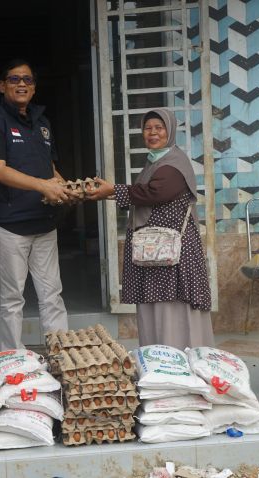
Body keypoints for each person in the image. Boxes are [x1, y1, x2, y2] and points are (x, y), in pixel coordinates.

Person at [87, 108, 214, 350]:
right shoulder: (155, 162)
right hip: (155, 254)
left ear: (171, 130)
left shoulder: (174, 163)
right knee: (156, 306)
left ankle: (180, 357)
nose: (152, 133)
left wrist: (113, 190)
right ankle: (159, 358)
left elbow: (156, 192)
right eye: (148, 128)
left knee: (173, 305)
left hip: (173, 256)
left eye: (159, 127)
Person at [0, 59, 75, 351]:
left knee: (52, 293)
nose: (21, 84)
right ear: (2, 85)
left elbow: (50, 168)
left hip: (44, 222)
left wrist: (66, 186)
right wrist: (44, 185)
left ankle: (60, 354)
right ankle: (13, 356)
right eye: (15, 79)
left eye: (27, 80)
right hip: (11, 224)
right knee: (13, 297)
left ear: (34, 86)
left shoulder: (42, 122)